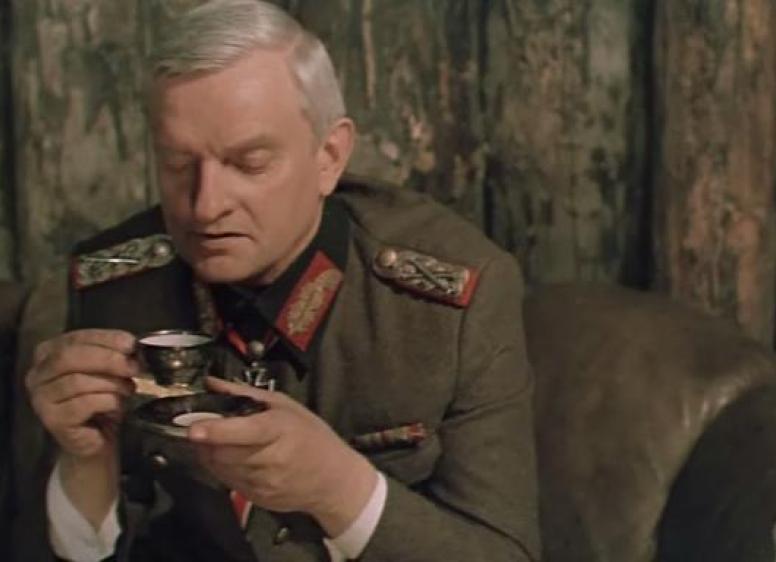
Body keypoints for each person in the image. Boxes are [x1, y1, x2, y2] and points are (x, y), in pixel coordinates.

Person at [12, 1, 540, 560]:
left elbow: (505, 553)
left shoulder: (452, 302)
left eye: (249, 163)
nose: (206, 205)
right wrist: (84, 466)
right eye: (177, 164)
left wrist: (341, 490)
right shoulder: (113, 285)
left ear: (329, 157)